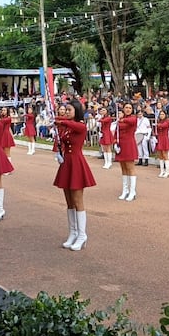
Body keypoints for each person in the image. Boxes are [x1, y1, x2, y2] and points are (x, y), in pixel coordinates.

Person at [53, 100, 96, 251]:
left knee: (78, 201)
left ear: (76, 111)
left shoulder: (80, 125)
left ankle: (82, 235)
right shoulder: (66, 127)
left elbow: (72, 125)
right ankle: (73, 232)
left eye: (69, 109)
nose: (66, 111)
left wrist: (60, 120)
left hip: (77, 164)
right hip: (66, 163)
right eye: (65, 109)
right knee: (69, 202)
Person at [116, 103, 139, 201]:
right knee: (123, 167)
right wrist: (114, 142)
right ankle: (125, 190)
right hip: (121, 144)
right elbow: (116, 131)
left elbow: (132, 121)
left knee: (130, 167)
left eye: (130, 108)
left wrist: (121, 119)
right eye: (126, 107)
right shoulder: (119, 119)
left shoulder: (133, 118)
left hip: (129, 144)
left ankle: (132, 191)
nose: (128, 109)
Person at [154, 110, 169, 178]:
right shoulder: (159, 122)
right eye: (160, 114)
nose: (161, 115)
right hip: (159, 139)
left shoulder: (167, 122)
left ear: (165, 115)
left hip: (164, 139)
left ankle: (167, 171)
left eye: (163, 114)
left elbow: (163, 126)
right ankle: (162, 171)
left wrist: (157, 125)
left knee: (165, 155)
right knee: (160, 155)